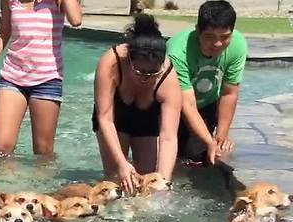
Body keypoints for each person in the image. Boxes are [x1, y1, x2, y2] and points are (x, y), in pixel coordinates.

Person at [0, 0, 82, 157]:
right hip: (12, 77)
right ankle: (6, 182)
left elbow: (76, 20)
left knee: (43, 151)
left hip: (47, 78)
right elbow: (3, 32)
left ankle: (41, 182)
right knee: (2, 149)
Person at [92, 14, 181, 193]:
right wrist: (122, 164)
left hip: (147, 121)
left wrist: (164, 182)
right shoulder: (111, 62)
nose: (145, 78)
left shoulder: (168, 77)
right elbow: (105, 118)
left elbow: (169, 137)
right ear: (129, 60)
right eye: (139, 71)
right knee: (117, 180)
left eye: (152, 73)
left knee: (150, 182)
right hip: (114, 118)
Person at [167, 0, 247, 165]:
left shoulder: (238, 45)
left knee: (200, 156)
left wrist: (221, 137)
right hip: (174, 104)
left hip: (207, 102)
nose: (217, 44)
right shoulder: (178, 51)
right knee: (173, 154)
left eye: (224, 37)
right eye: (209, 37)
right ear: (198, 30)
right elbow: (187, 104)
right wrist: (209, 142)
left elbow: (229, 92)